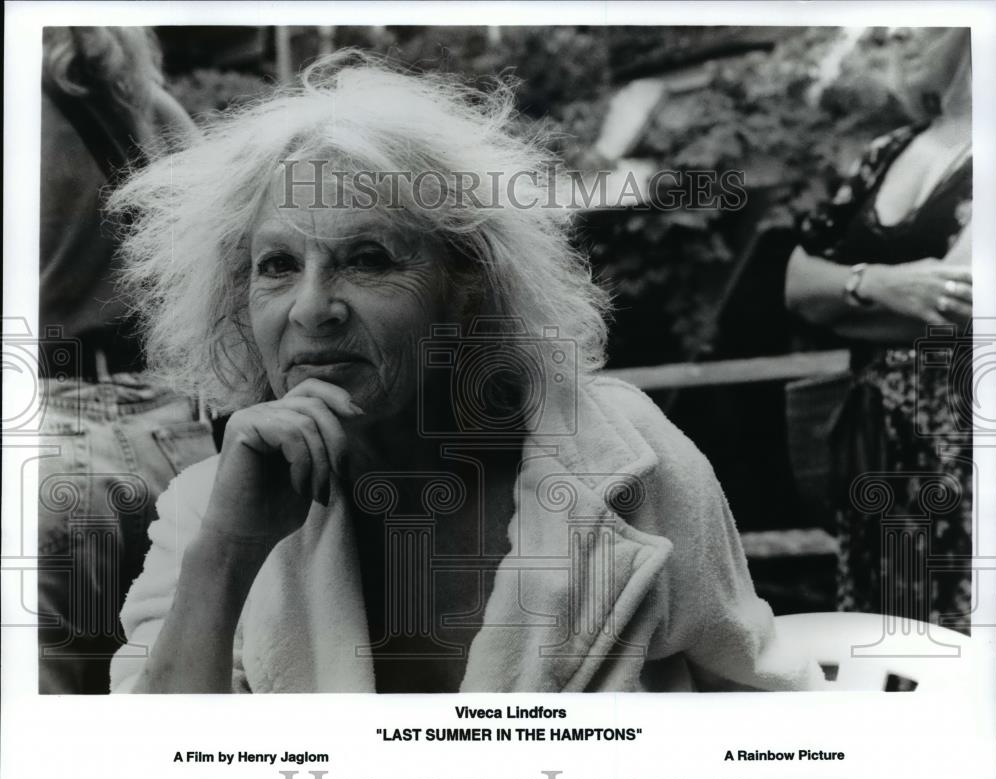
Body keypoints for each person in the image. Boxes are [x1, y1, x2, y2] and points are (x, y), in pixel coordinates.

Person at [108, 53, 823, 693]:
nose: (313, 307)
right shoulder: (212, 504)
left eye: (368, 258)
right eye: (278, 265)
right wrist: (229, 550)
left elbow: (771, 710)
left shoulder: (623, 458)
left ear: (469, 281)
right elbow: (146, 765)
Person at [37, 27, 217, 694]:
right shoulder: (152, 108)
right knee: (192, 685)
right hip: (179, 435)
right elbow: (228, 260)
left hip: (45, 438)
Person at [784, 28, 973, 631]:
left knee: (954, 644)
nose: (900, 33)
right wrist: (878, 284)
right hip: (877, 440)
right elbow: (794, 284)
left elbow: (959, 303)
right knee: (877, 632)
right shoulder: (887, 150)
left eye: (925, 19)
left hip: (966, 444)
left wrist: (840, 292)